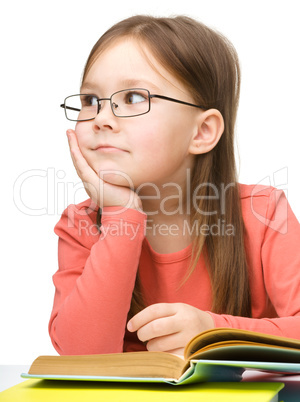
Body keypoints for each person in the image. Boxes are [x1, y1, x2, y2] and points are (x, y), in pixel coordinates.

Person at [49, 15, 300, 356]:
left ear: (202, 132)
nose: (102, 119)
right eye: (91, 100)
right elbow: (83, 356)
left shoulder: (264, 213)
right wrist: (122, 216)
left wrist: (213, 331)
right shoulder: (80, 225)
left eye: (134, 97)